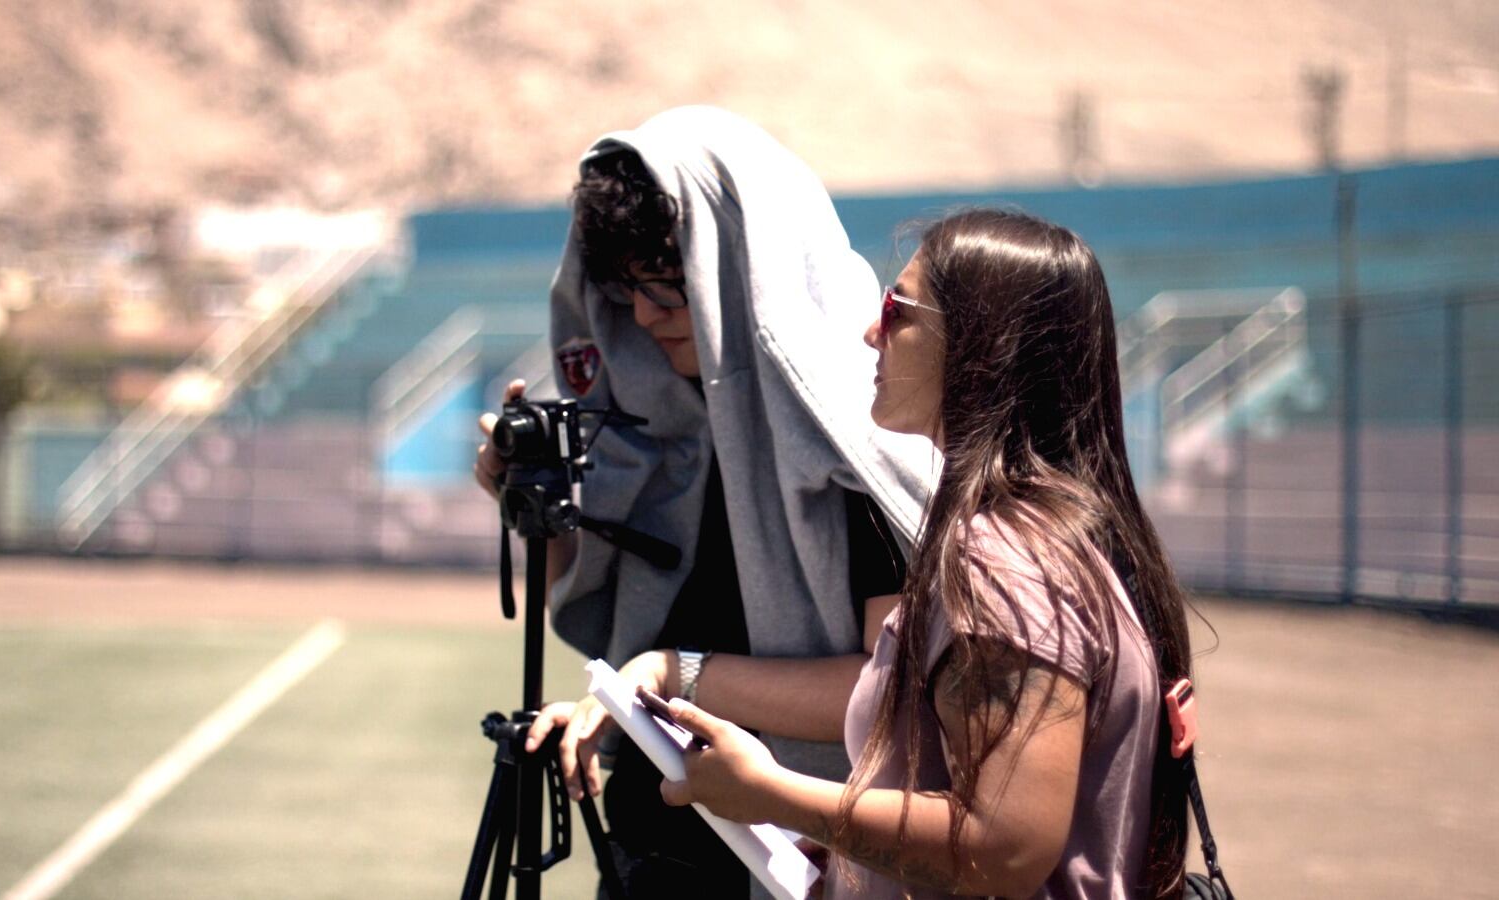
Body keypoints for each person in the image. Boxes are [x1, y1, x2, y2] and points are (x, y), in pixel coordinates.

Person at [655, 208, 1197, 899]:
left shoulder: (1003, 559)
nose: (871, 333)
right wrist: (855, 858)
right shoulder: (1051, 535)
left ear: (982, 344)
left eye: (897, 310)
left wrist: (772, 793)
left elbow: (1005, 846)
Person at [472, 106, 936, 898]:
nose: (643, 317)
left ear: (738, 269)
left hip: (798, 858)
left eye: (666, 285)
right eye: (625, 290)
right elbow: (598, 607)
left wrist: (673, 675)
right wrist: (529, 504)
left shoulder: (855, 435)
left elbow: (886, 691)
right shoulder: (660, 425)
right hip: (649, 843)